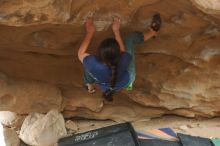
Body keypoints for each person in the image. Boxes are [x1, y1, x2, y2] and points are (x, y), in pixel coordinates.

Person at [78, 13, 161, 101]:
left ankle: (89, 85)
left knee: (88, 68)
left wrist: (90, 32)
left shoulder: (93, 63)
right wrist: (116, 31)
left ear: (99, 54)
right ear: (118, 54)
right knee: (130, 39)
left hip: (106, 85)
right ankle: (153, 32)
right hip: (125, 80)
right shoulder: (124, 59)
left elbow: (80, 53)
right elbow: (123, 51)